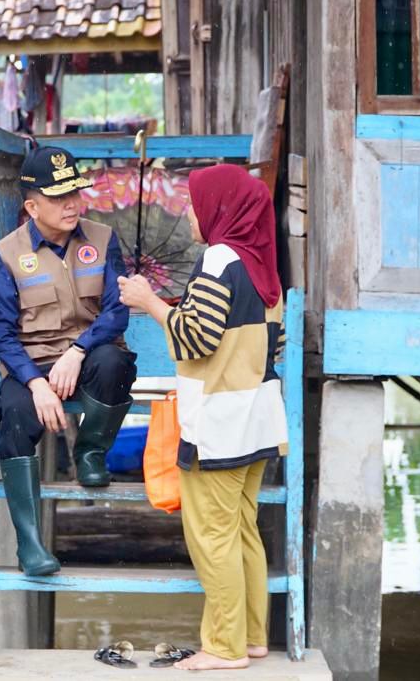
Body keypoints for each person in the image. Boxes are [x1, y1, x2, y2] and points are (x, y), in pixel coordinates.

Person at [118, 164, 288, 671]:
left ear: (219, 209)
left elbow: (195, 338)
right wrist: (179, 306)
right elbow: (248, 334)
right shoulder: (261, 263)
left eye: (195, 203)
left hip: (219, 422)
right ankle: (252, 637)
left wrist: (148, 302)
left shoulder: (218, 258)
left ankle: (224, 647)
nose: (190, 213)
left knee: (211, 538)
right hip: (257, 417)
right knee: (242, 532)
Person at [0, 146, 137, 577]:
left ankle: (90, 453)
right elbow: (2, 333)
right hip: (31, 364)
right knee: (15, 416)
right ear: (32, 206)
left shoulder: (102, 238)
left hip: (88, 354)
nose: (72, 203)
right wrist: (36, 384)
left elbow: (117, 310)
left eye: (75, 191)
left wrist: (77, 351)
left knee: (114, 364)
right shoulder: (5, 254)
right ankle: (30, 546)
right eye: (58, 197)